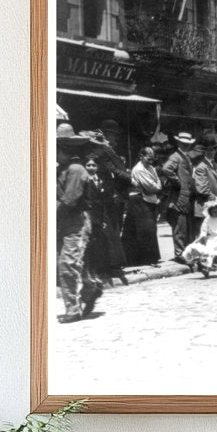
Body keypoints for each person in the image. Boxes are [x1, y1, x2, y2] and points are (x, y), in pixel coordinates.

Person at [55, 123, 101, 322]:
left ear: (65, 148)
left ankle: (73, 309)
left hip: (76, 221)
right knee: (71, 264)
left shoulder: (75, 169)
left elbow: (69, 200)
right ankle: (91, 287)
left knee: (67, 264)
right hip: (66, 221)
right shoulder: (65, 169)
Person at [83, 157, 128, 286]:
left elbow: (104, 200)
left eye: (93, 165)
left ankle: (102, 270)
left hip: (100, 215)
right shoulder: (84, 180)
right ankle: (91, 271)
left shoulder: (101, 180)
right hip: (89, 215)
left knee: (101, 242)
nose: (91, 168)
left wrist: (103, 218)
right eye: (88, 165)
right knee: (91, 244)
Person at [122, 146, 163, 266]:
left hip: (149, 200)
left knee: (149, 229)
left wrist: (157, 186)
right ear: (141, 157)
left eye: (152, 158)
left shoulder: (151, 168)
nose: (151, 160)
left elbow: (157, 183)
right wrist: (157, 186)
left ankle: (148, 258)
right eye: (148, 158)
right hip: (139, 201)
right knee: (144, 230)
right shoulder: (139, 169)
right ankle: (143, 259)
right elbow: (151, 187)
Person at [160, 131, 197, 261]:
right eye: (183, 143)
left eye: (187, 144)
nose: (186, 146)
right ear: (179, 143)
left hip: (186, 196)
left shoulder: (185, 157)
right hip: (179, 197)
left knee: (186, 226)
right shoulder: (176, 157)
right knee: (180, 226)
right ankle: (179, 253)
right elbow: (166, 169)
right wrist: (177, 182)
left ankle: (185, 253)